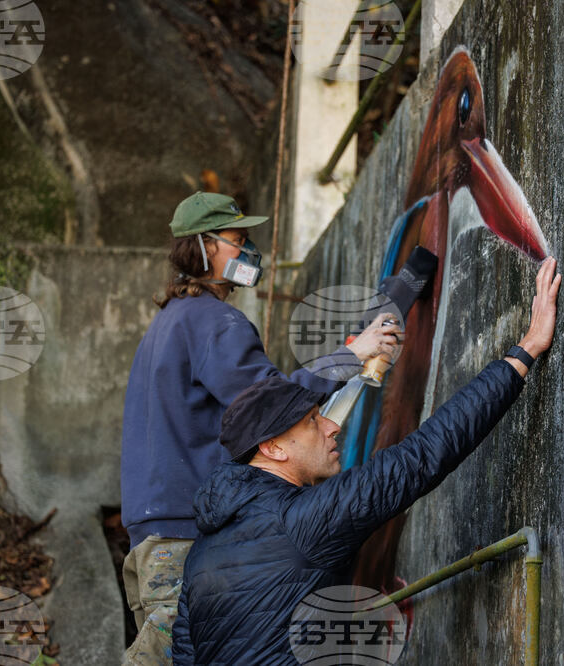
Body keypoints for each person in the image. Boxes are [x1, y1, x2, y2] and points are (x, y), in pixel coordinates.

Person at [171, 256, 562, 665]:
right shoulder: (303, 521)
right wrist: (525, 350)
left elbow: (184, 658)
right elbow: (423, 455)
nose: (331, 428)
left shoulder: (200, 555)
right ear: (273, 449)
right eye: (311, 423)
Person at [119, 191, 401, 665]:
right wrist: (353, 354)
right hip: (183, 537)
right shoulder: (216, 323)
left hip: (153, 532)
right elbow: (272, 405)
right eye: (237, 241)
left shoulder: (170, 321)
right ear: (205, 247)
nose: (249, 253)